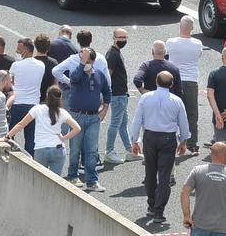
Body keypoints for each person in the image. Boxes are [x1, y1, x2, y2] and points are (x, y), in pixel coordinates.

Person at [130, 70, 190, 228]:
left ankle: (151, 204)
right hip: (168, 139)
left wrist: (135, 140)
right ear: (171, 84)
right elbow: (184, 123)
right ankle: (159, 211)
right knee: (164, 176)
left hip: (150, 137)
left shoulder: (145, 98)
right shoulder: (177, 101)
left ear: (156, 82)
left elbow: (137, 120)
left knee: (150, 172)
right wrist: (184, 141)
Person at [6, 86, 81, 175]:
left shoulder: (37, 109)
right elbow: (77, 128)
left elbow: (21, 124)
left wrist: (7, 136)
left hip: (40, 149)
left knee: (39, 180)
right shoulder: (62, 112)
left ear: (47, 95)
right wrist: (63, 138)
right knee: (56, 182)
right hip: (58, 149)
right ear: (60, 98)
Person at [64, 47, 111, 191]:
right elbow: (75, 78)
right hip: (77, 116)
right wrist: (82, 62)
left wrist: (104, 109)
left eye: (89, 61)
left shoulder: (99, 75)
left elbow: (107, 92)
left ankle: (92, 181)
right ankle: (72, 176)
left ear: (94, 61)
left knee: (92, 150)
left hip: (93, 117)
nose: (86, 63)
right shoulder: (77, 73)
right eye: (84, 61)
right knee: (75, 149)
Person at [180, 141, 226, 236]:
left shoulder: (197, 171)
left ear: (211, 155)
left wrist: (187, 216)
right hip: (222, 228)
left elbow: (185, 192)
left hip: (199, 226)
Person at [167, 16, 204, 151]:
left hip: (173, 81)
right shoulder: (198, 43)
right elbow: (198, 56)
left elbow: (166, 56)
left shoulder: (171, 42)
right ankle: (192, 143)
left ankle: (170, 141)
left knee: (171, 113)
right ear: (192, 29)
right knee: (192, 114)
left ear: (180, 27)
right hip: (191, 81)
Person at [8, 37, 44, 153]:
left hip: (17, 104)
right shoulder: (41, 65)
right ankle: (30, 159)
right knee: (31, 138)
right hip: (33, 106)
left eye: (19, 49)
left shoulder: (16, 65)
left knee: (9, 133)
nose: (17, 51)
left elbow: (9, 82)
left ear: (26, 51)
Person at [105, 28, 132, 164]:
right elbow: (108, 76)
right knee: (116, 123)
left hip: (122, 94)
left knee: (123, 123)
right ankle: (109, 152)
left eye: (125, 37)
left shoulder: (115, 52)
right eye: (120, 37)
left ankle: (130, 150)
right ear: (114, 38)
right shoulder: (113, 54)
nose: (123, 40)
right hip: (117, 95)